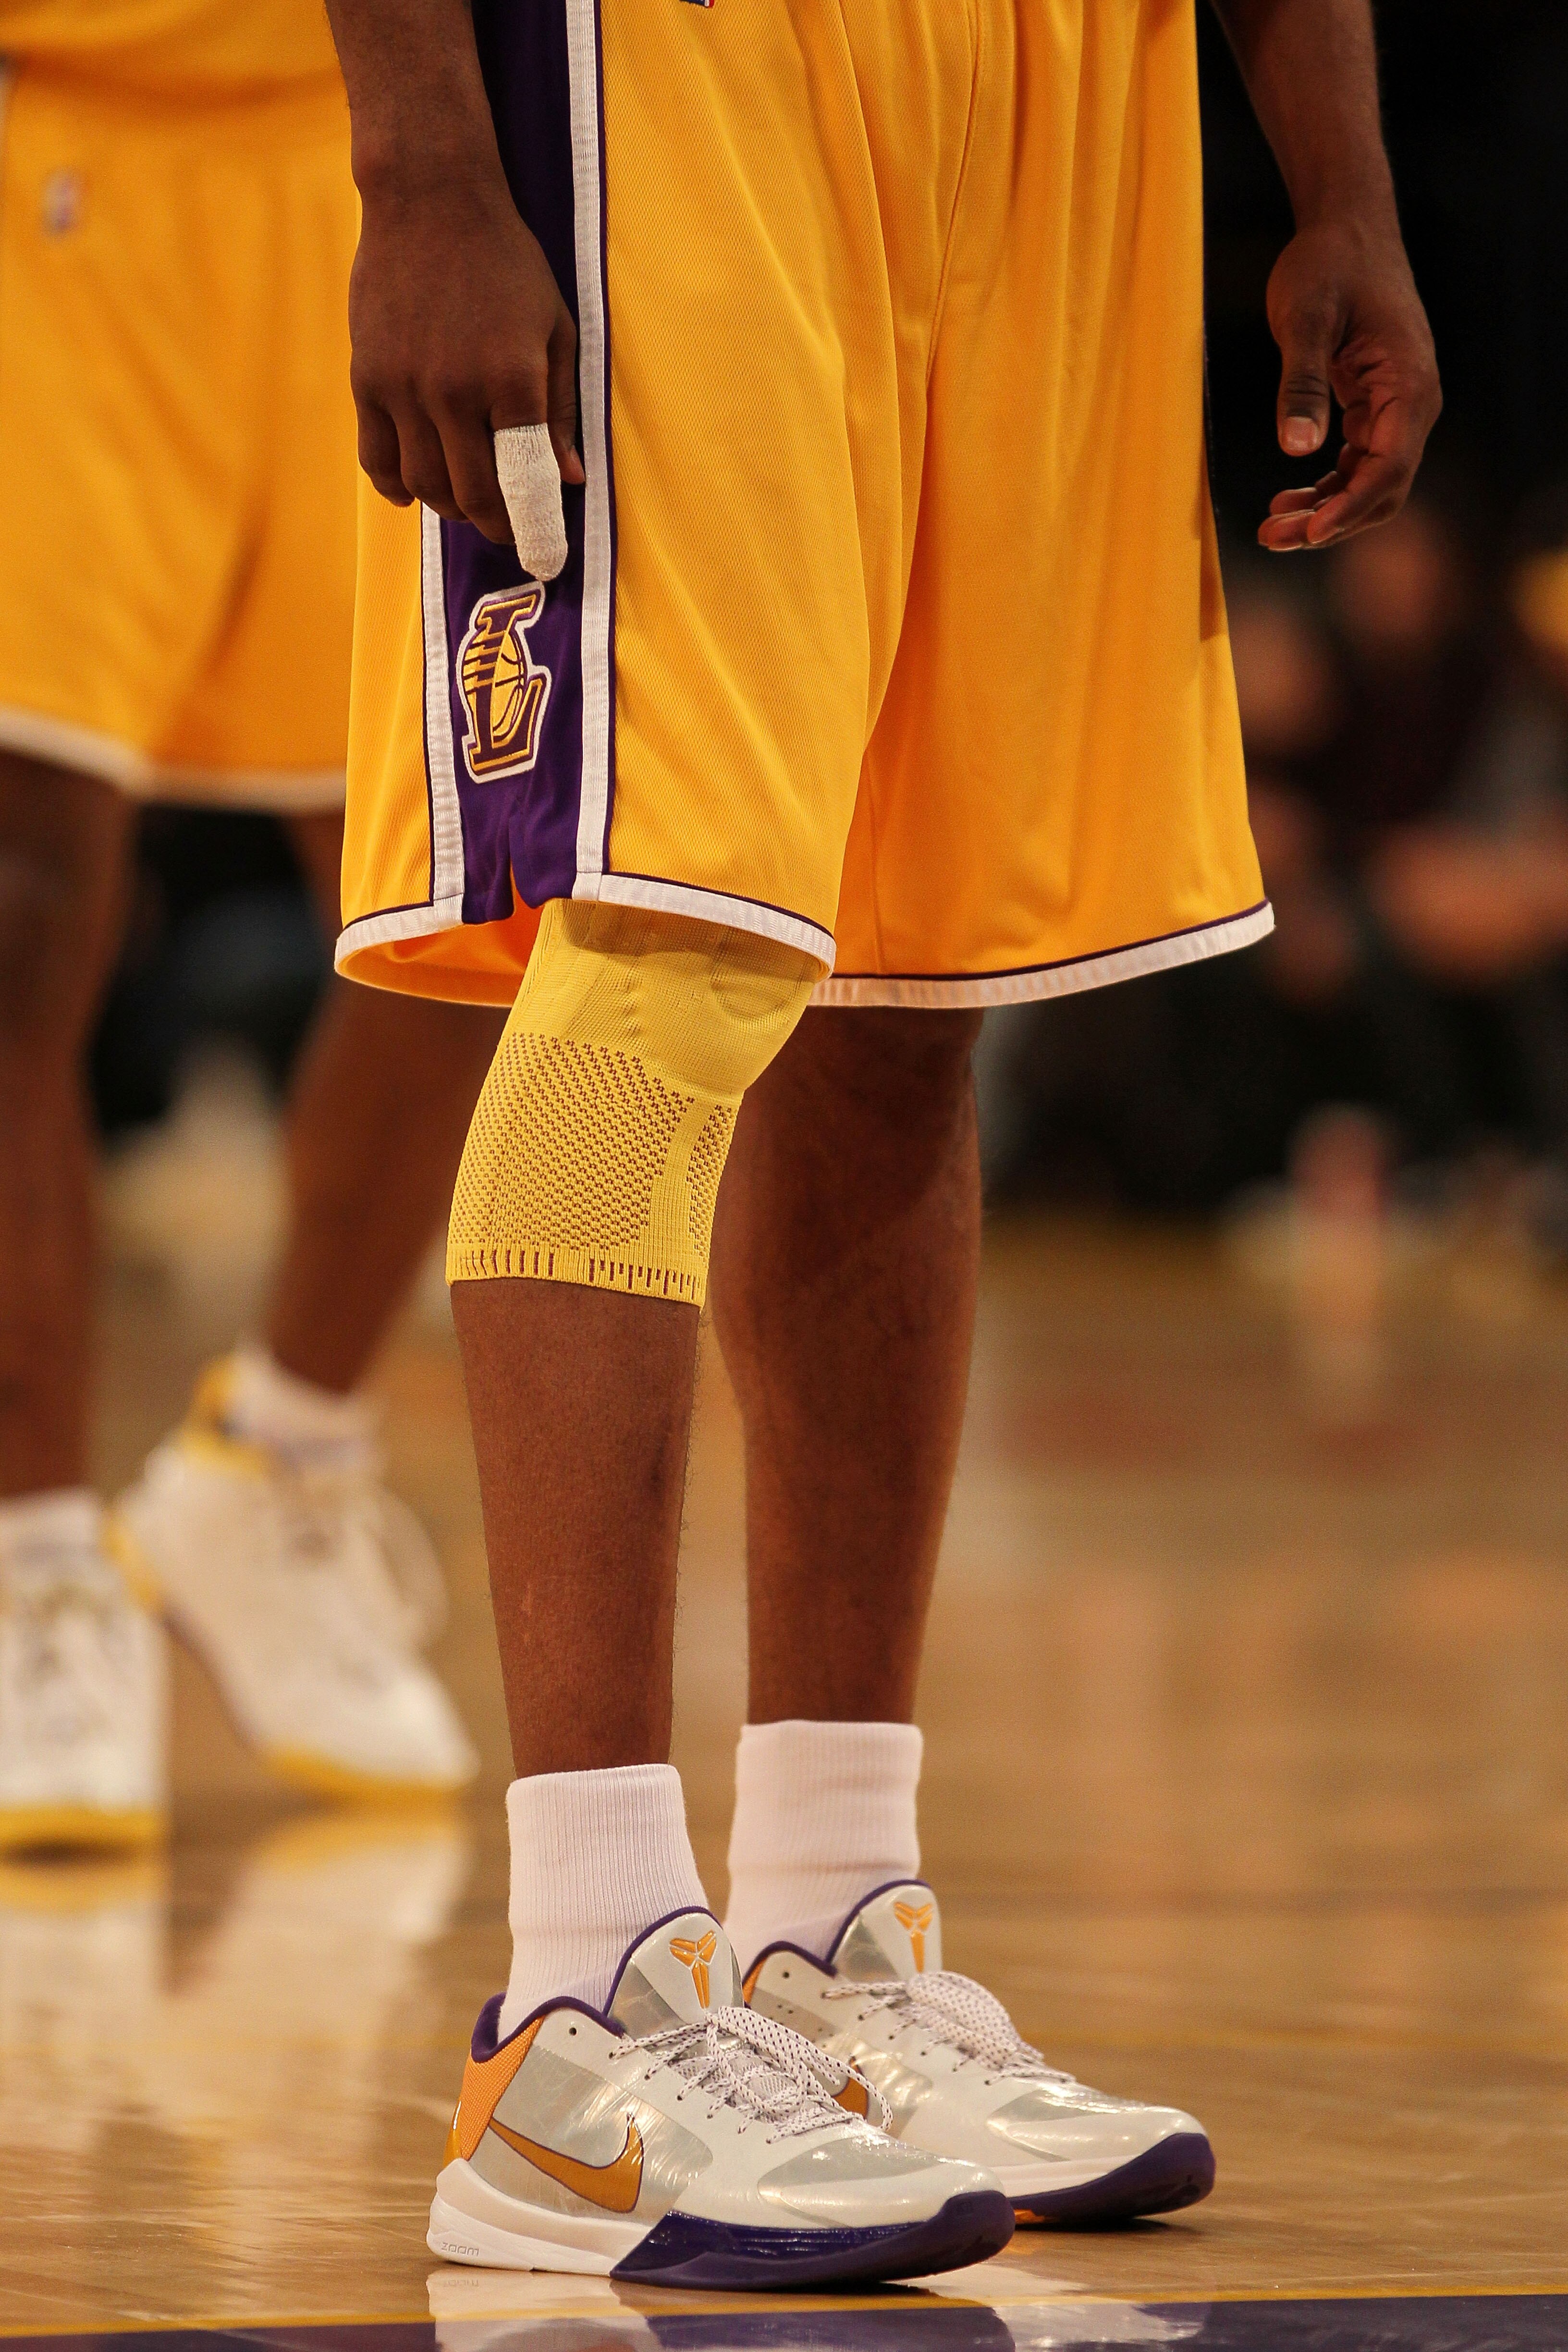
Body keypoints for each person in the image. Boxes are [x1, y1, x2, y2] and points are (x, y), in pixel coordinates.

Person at [323, 0, 1439, 2289]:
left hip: (1071, 89)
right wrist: (423, 161)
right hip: (685, 70)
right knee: (665, 958)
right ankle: (577, 2015)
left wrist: (1339, 167)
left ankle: (831, 1929)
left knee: (910, 986)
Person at [0, 0, 502, 1849]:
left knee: (467, 893)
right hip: (61, 149)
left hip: (394, 154)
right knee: (17, 906)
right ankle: (33, 1569)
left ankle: (278, 1453)